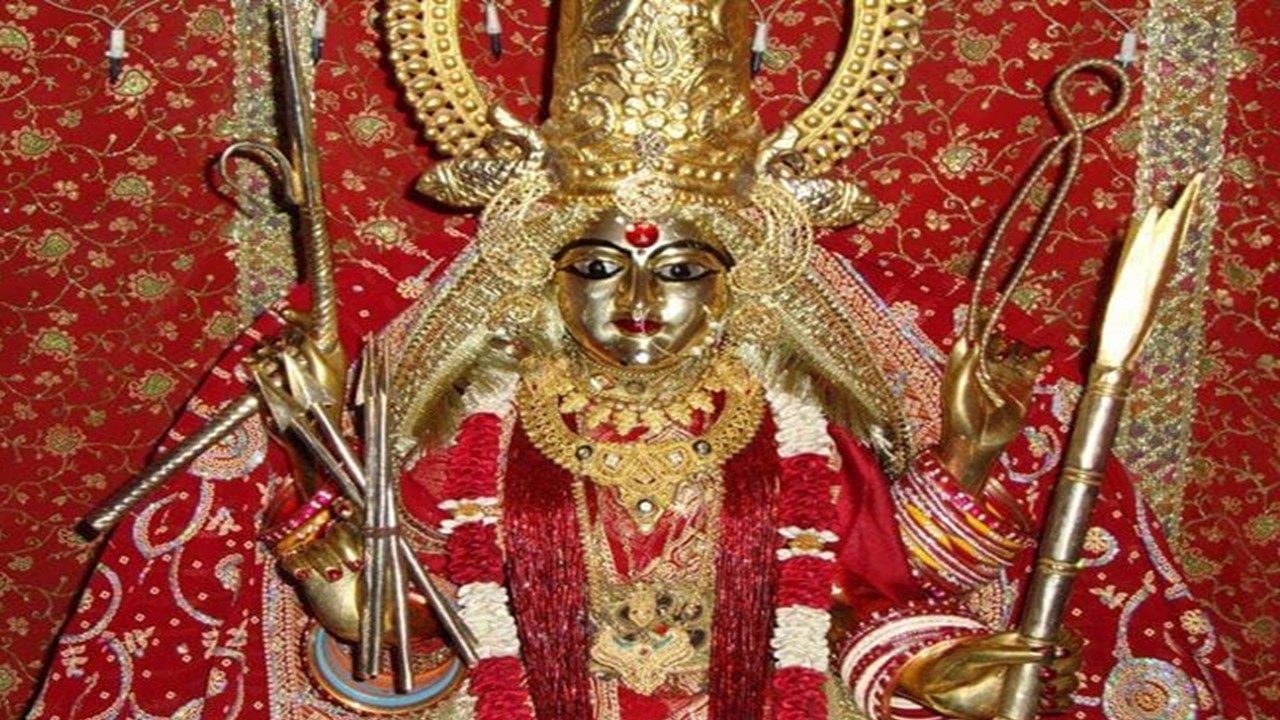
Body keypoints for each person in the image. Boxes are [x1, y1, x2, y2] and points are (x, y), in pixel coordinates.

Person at [30, 0, 1248, 718]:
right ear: (543, 273)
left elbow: (869, 599)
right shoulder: (466, 426)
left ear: (734, 279)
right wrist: (354, 609)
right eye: (599, 264)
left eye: (678, 269)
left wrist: (933, 675)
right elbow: (417, 654)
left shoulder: (789, 418)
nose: (638, 305)